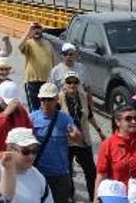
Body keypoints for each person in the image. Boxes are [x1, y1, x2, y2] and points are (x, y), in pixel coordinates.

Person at [30, 82, 82, 203]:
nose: (46, 103)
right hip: (38, 174)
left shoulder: (65, 118)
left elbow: (78, 138)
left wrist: (76, 135)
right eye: (43, 99)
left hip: (60, 175)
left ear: (56, 99)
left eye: (50, 99)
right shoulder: (31, 118)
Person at [58, 71, 105, 202]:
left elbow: (89, 115)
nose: (72, 84)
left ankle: (93, 198)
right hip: (66, 141)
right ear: (65, 84)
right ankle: (70, 196)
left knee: (91, 171)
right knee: (67, 172)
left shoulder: (83, 96)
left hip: (83, 140)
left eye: (75, 82)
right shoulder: (59, 98)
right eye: (69, 82)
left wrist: (100, 131)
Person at [0, 128, 54, 203]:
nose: (31, 156)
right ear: (10, 149)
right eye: (26, 151)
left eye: (34, 151)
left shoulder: (38, 176)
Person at [48, 43, 94, 115]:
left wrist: (90, 107)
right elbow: (50, 91)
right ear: (62, 56)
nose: (68, 56)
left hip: (81, 107)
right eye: (65, 54)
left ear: (75, 55)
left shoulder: (82, 68)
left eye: (71, 54)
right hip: (63, 108)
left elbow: (89, 89)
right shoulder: (55, 71)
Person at [18, 23, 55, 112]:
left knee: (46, 109)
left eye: (38, 28)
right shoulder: (28, 43)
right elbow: (19, 46)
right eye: (34, 28)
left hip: (46, 81)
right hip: (32, 82)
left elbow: (52, 61)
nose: (37, 30)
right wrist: (28, 32)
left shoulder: (48, 44)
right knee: (34, 110)